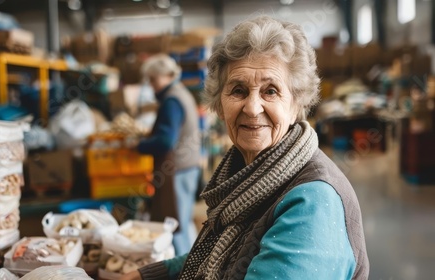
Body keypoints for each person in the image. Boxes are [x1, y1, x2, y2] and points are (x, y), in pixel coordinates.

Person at [122, 15, 369, 280]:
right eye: (238, 90)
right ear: (219, 104)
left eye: (271, 91)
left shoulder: (312, 203)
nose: (252, 108)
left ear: (296, 104)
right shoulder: (245, 172)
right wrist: (147, 274)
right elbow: (224, 253)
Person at [136, 54, 202, 257]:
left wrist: (138, 146)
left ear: (166, 75)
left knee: (175, 226)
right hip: (187, 167)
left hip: (177, 170)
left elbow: (165, 141)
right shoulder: (180, 93)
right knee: (182, 222)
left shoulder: (172, 100)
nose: (152, 85)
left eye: (154, 79)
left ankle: (186, 271)